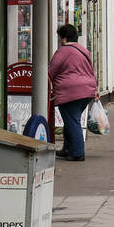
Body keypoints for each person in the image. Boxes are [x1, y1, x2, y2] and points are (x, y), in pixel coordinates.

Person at [48, 24, 99, 161]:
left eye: (59, 37)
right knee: (70, 120)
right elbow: (90, 70)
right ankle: (67, 148)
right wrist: (95, 89)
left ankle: (77, 153)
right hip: (87, 90)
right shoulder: (83, 50)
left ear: (63, 37)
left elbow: (51, 71)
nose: (59, 40)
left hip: (71, 91)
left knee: (73, 121)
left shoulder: (63, 51)